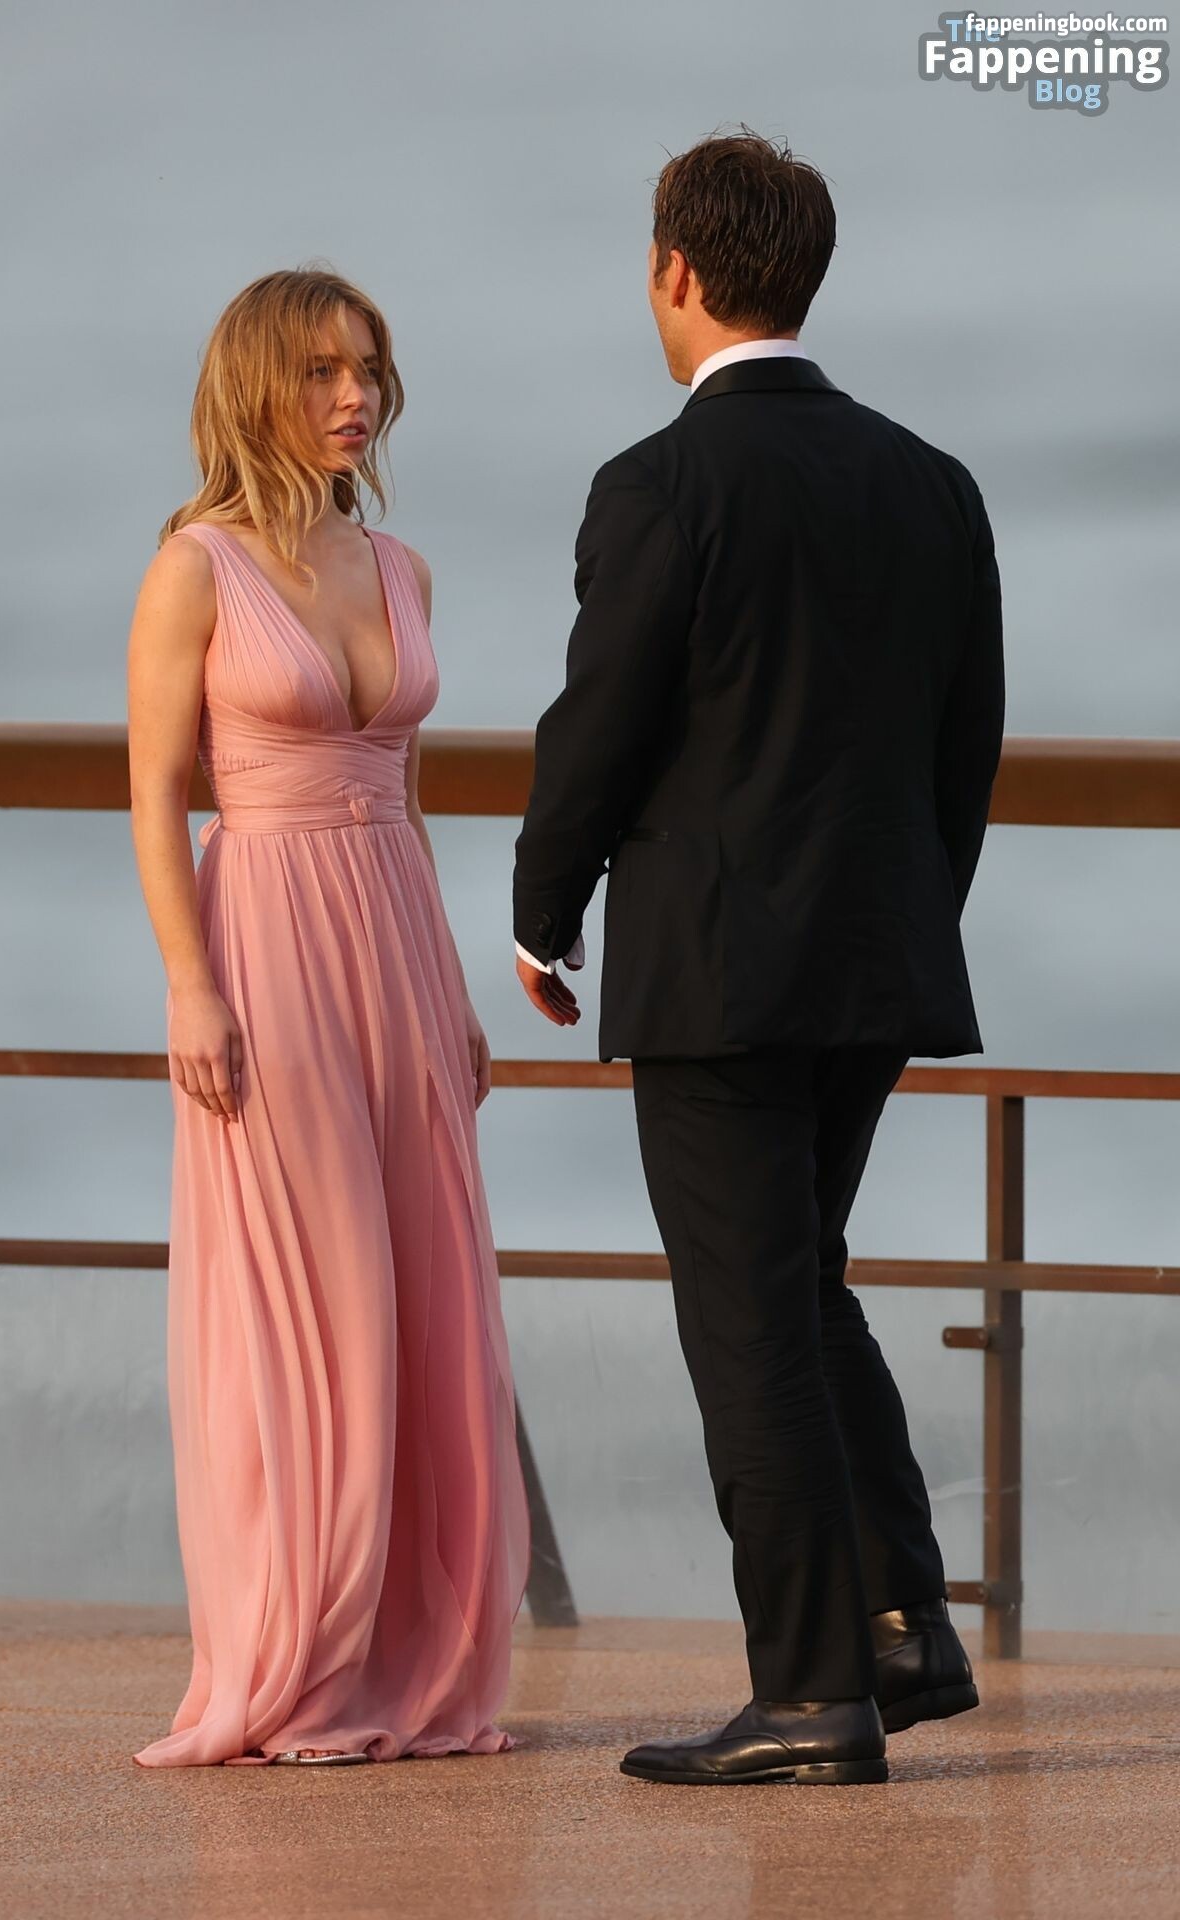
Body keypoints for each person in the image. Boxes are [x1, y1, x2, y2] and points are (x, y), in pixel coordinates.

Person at [512, 129, 1005, 1787]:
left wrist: (543, 911)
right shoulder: (932, 482)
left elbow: (598, 727)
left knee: (749, 1326)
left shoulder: (660, 484)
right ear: (807, 274)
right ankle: (901, 1628)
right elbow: (965, 749)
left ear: (675, 270)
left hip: (718, 977)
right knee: (801, 1283)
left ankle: (809, 1694)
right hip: (878, 958)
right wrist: (911, 911)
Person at [127, 267, 529, 1768]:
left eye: (365, 368)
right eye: (319, 371)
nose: (354, 394)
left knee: (427, 1291)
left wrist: (456, 990)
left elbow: (405, 793)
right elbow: (155, 796)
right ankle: (301, 1661)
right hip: (268, 934)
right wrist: (190, 981)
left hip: (398, 937)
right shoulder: (195, 568)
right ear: (255, 387)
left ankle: (417, 1660)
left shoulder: (400, 566)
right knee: (319, 1294)